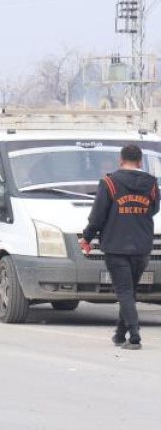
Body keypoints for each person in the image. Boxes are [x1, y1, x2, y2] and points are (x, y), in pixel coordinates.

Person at [80, 144, 159, 350]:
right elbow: (153, 209)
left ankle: (134, 336)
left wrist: (86, 238)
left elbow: (98, 216)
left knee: (124, 291)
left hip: (116, 246)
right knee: (129, 291)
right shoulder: (151, 184)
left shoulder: (109, 182)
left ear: (120, 160)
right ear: (140, 161)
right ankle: (119, 333)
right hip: (142, 246)